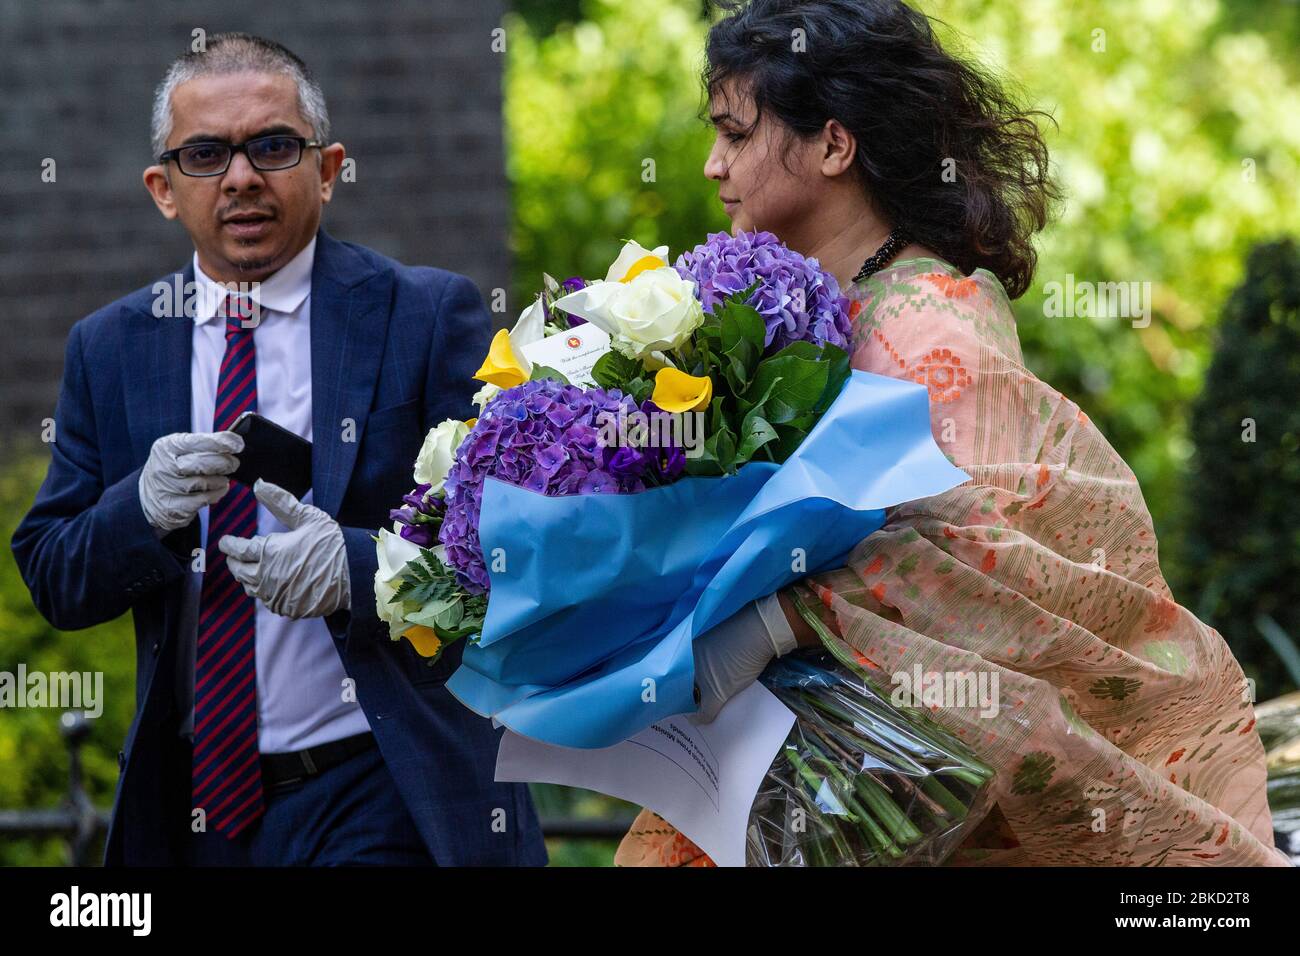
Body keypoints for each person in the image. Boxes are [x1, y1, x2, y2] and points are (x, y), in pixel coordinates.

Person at [618, 0, 1288, 866]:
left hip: (897, 804)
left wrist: (771, 621)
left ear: (832, 144)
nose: (714, 165)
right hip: (803, 772)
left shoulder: (930, 324)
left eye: (735, 133)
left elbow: (973, 567)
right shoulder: (804, 314)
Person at [11, 32, 546, 867]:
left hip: (379, 781)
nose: (241, 177)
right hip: (191, 807)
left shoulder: (426, 314)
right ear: (162, 187)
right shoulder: (110, 348)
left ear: (328, 168)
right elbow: (53, 572)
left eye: (272, 146)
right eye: (205, 154)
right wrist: (139, 510)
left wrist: (360, 568)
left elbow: (514, 541)